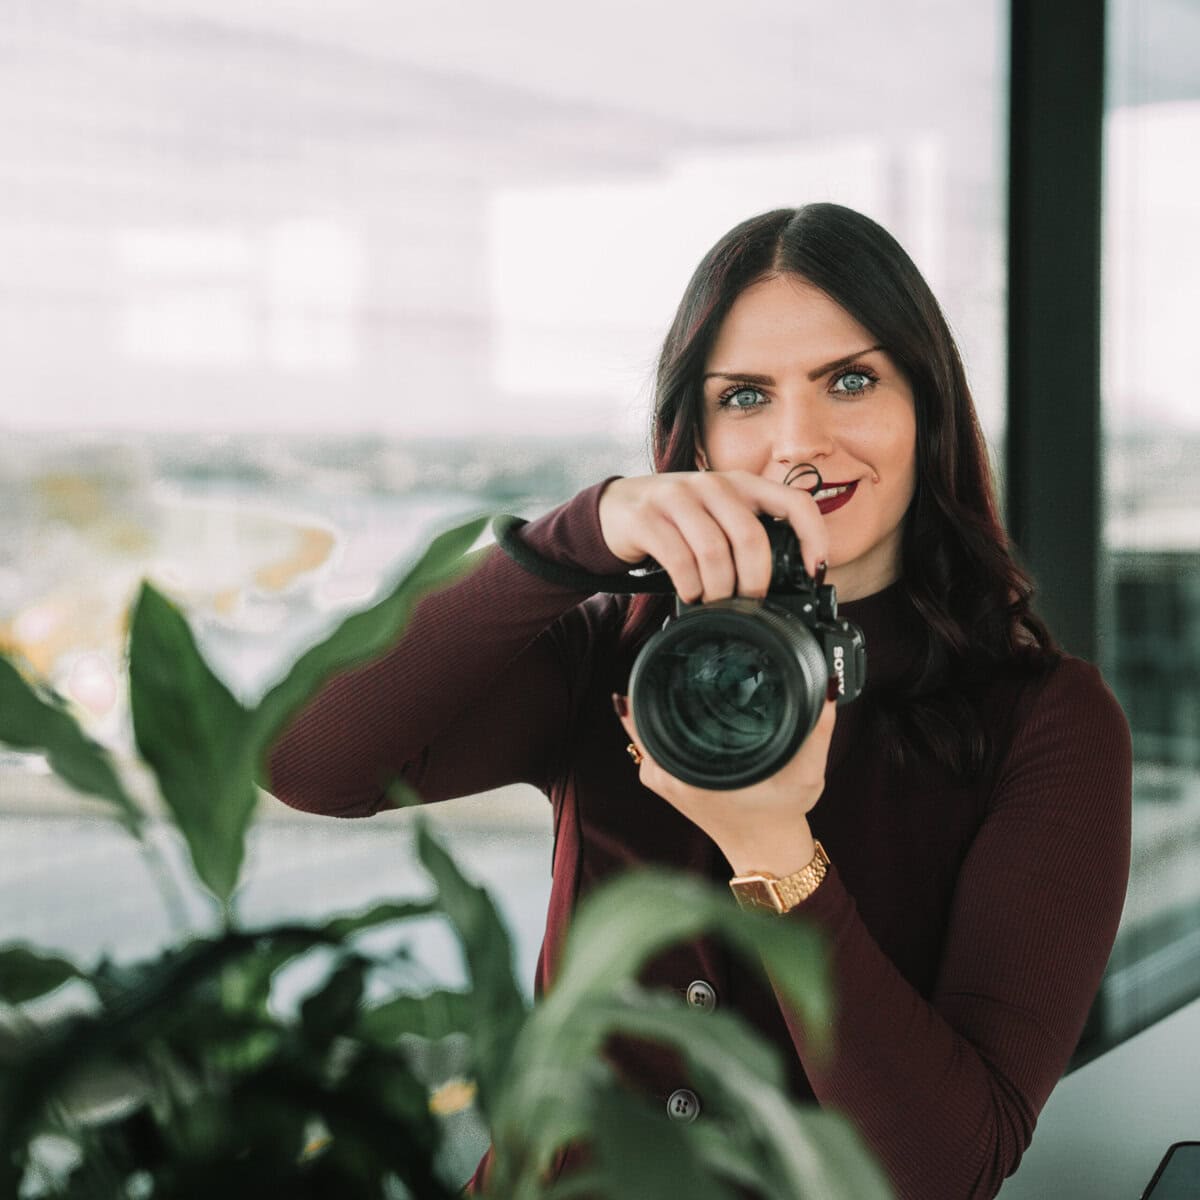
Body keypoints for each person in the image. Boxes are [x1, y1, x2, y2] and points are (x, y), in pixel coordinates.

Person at [265, 203, 1132, 1199]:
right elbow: (305, 764)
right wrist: (571, 539)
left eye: (851, 380)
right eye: (746, 397)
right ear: (699, 434)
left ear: (926, 407)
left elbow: (948, 1170)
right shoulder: (617, 647)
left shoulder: (1044, 721)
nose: (798, 442)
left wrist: (779, 858)